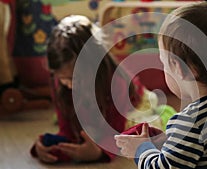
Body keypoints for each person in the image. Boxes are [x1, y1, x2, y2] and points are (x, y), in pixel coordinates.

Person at [115, 2, 207, 169]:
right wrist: (170, 142)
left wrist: (141, 149)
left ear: (179, 68)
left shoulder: (191, 121)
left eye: (164, 64)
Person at [30, 15, 147, 163]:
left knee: (140, 133)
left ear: (93, 65)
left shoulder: (116, 83)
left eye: (74, 78)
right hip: (95, 105)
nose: (68, 85)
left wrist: (98, 153)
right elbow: (66, 130)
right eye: (61, 78)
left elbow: (116, 133)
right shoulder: (60, 82)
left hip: (134, 106)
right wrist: (43, 145)